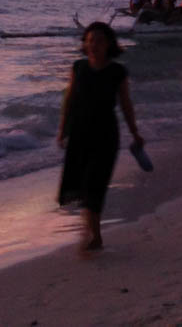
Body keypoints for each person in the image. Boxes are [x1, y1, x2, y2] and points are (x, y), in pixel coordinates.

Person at [57, 21, 142, 254]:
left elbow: (126, 105)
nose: (94, 44)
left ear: (109, 45)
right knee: (83, 185)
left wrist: (135, 132)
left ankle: (95, 236)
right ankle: (91, 231)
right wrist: (62, 130)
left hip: (106, 135)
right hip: (79, 133)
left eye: (100, 40)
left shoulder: (117, 72)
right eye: (90, 40)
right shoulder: (78, 68)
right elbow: (69, 100)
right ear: (85, 43)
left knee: (96, 183)